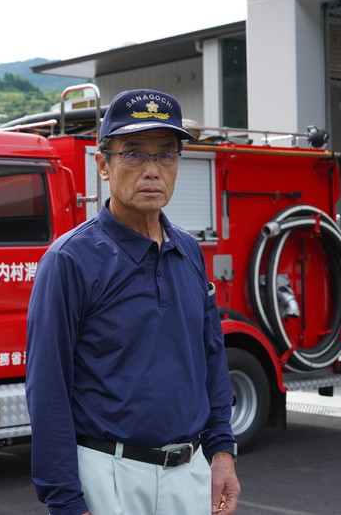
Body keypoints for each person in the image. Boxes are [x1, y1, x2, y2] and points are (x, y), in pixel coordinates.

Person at [25, 89, 240, 515]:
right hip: (109, 478)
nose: (153, 170)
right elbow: (47, 388)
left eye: (166, 155)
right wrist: (66, 501)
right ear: (102, 165)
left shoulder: (188, 250)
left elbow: (211, 358)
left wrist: (221, 453)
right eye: (134, 154)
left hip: (189, 473)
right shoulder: (70, 261)